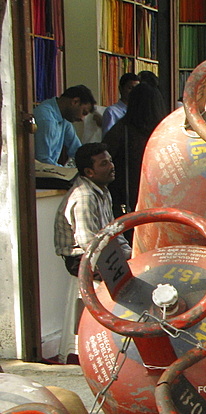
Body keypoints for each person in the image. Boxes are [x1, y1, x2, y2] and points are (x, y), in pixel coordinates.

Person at [53, 142, 132, 277]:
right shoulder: (85, 196)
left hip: (103, 253)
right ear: (89, 172)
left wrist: (131, 253)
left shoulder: (103, 191)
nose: (112, 166)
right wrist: (124, 260)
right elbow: (89, 244)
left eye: (110, 161)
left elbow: (114, 232)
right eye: (104, 164)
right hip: (83, 259)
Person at [104, 82, 169, 216]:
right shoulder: (165, 132)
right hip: (159, 195)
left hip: (127, 198)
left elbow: (106, 155)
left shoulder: (122, 130)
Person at [33, 85, 97, 166]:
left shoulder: (64, 119)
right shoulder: (46, 119)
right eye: (84, 112)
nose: (82, 119)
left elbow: (78, 152)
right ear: (75, 102)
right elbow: (43, 162)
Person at [102, 72, 140, 137]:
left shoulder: (139, 110)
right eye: (130, 88)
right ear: (120, 89)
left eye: (136, 89)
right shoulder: (111, 111)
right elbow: (108, 139)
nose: (134, 92)